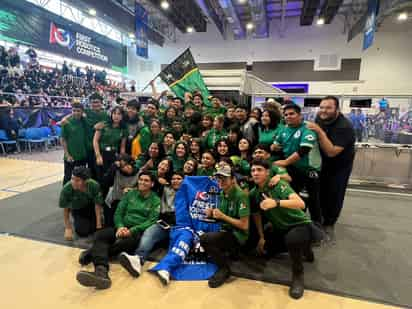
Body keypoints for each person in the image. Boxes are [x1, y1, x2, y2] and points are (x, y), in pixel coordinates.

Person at [76, 172, 160, 290]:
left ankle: (91, 253)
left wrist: (132, 230)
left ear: (152, 184)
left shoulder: (155, 200)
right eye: (140, 179)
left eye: (146, 180)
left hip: (136, 233)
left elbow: (152, 220)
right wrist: (120, 226)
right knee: (100, 235)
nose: (142, 182)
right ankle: (101, 271)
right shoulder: (130, 194)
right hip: (121, 227)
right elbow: (119, 212)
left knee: (122, 244)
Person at [249, 159, 312, 299]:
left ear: (267, 173)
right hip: (281, 228)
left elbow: (301, 203)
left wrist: (276, 202)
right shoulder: (254, 193)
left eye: (259, 170)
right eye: (253, 170)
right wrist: (261, 237)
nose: (255, 173)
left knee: (292, 240)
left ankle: (298, 275)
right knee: (265, 250)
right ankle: (303, 247)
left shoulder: (278, 185)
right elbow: (256, 215)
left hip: (300, 224)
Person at [305, 96, 355, 241]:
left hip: (339, 167)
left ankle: (329, 223)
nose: (323, 111)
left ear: (337, 109)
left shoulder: (344, 127)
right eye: (321, 107)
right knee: (319, 192)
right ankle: (318, 221)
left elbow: (331, 152)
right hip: (322, 164)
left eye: (328, 108)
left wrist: (319, 132)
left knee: (334, 195)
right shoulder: (320, 118)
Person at [117, 172, 184, 277]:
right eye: (173, 178)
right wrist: (131, 189)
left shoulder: (190, 192)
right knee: (149, 232)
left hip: (181, 226)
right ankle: (138, 259)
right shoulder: (165, 189)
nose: (175, 180)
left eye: (179, 178)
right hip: (164, 223)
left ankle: (167, 269)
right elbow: (146, 184)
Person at [200, 162, 250, 288]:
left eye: (224, 178)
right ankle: (232, 253)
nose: (221, 181)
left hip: (239, 235)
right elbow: (223, 217)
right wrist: (212, 214)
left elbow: (244, 226)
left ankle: (224, 269)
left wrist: (222, 216)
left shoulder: (241, 196)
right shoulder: (222, 193)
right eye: (219, 178)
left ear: (233, 180)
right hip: (226, 231)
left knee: (205, 239)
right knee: (203, 235)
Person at [271, 103, 322, 225]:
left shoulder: (308, 128)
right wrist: (274, 147)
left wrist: (285, 162)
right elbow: (275, 144)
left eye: (292, 114)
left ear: (299, 115)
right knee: (295, 197)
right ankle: (299, 223)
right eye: (286, 114)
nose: (288, 116)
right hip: (293, 170)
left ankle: (317, 227)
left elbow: (304, 150)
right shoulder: (284, 129)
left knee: (312, 200)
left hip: (309, 170)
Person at [59, 167, 103, 240]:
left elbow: (97, 205)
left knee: (97, 228)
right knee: (82, 232)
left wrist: (99, 225)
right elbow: (66, 209)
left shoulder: (94, 185)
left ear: (86, 181)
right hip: (77, 209)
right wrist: (68, 228)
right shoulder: (67, 189)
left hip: (91, 207)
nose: (73, 182)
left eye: (77, 180)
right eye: (72, 179)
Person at [61, 103, 88, 185]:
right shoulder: (66, 123)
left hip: (82, 156)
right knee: (68, 177)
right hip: (71, 156)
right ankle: (65, 196)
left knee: (81, 177)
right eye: (74, 111)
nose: (76, 113)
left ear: (82, 111)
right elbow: (63, 139)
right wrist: (67, 154)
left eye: (78, 111)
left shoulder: (84, 121)